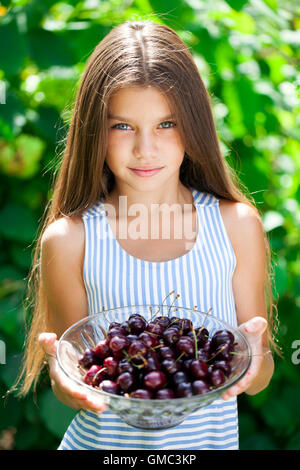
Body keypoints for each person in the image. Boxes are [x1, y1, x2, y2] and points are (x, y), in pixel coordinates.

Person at [16, 20, 278, 450]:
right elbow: (72, 380)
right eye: (122, 126)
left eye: (167, 124)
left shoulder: (235, 226)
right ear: (92, 132)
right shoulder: (71, 240)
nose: (145, 148)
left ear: (195, 125)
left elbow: (257, 376)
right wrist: (64, 378)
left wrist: (252, 355)